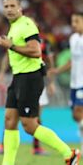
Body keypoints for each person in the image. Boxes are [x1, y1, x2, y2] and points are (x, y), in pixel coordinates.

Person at [0, 0, 79, 165]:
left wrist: (11, 45)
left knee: (29, 125)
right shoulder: (14, 27)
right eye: (6, 6)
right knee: (9, 120)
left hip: (30, 78)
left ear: (20, 8)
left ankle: (69, 153)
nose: (9, 9)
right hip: (18, 77)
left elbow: (35, 51)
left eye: (13, 6)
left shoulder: (26, 25)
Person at [0, 35, 57, 155]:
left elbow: (50, 61)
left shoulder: (43, 41)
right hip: (19, 80)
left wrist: (51, 82)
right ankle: (3, 145)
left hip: (36, 80)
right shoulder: (16, 38)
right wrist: (2, 73)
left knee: (35, 118)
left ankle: (37, 147)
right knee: (11, 116)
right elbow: (7, 56)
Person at [49, 12, 83, 152]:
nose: (74, 24)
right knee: (76, 117)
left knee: (78, 112)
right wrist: (58, 70)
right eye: (72, 21)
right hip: (74, 83)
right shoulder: (73, 38)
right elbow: (72, 61)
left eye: (77, 21)